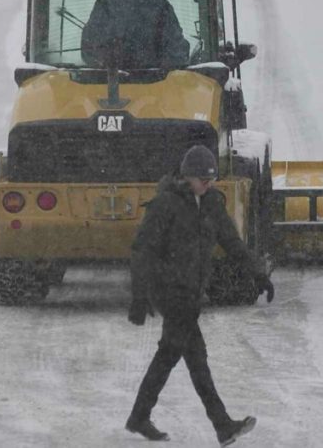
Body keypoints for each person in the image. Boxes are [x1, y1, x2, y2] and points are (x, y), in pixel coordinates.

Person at [125, 144, 274, 446]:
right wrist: (139, 296)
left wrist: (259, 273)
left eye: (211, 179)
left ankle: (140, 417)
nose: (208, 184)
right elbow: (143, 251)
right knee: (193, 359)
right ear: (186, 177)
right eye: (202, 180)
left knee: (174, 356)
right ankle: (221, 425)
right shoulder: (165, 205)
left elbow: (233, 243)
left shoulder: (212, 205)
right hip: (169, 291)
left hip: (192, 292)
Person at [80, 0, 190, 69]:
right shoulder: (162, 8)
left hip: (107, 84)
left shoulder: (104, 4)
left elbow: (89, 50)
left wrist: (110, 65)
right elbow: (177, 53)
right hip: (156, 85)